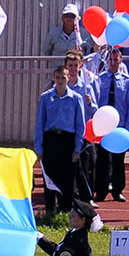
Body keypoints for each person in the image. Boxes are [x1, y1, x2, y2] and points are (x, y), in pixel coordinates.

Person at [33, 51, 91, 220]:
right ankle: (50, 211)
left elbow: (80, 125)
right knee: (49, 176)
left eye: (63, 78)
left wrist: (77, 148)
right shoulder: (46, 98)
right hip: (51, 139)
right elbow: (39, 123)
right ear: (54, 78)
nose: (60, 81)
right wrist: (39, 147)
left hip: (68, 140)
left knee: (67, 178)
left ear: (68, 79)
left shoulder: (76, 98)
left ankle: (66, 211)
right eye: (57, 78)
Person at [88, 46, 129, 201]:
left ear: (120, 61)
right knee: (102, 159)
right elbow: (95, 102)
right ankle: (101, 190)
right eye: (111, 60)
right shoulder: (99, 78)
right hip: (103, 126)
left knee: (118, 160)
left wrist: (128, 129)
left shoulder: (127, 81)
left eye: (116, 59)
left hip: (119, 127)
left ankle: (117, 190)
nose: (113, 62)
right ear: (107, 61)